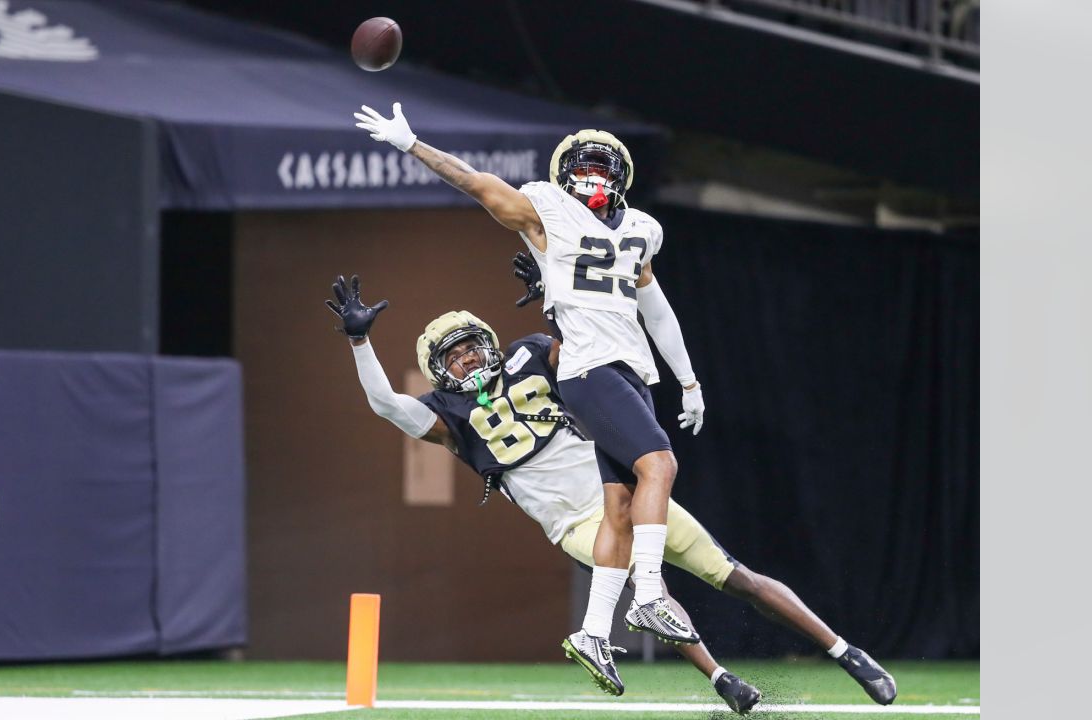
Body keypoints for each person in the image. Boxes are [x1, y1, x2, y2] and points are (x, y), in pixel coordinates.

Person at [324, 275, 897, 711]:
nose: (469, 358)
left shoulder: (530, 352)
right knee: (654, 589)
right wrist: (360, 342)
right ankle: (720, 677)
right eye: (454, 355)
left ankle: (845, 650)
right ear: (439, 370)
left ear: (490, 341)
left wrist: (556, 291)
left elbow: (587, 344)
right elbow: (383, 404)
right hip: (573, 522)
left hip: (618, 489)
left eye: (472, 345)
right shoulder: (446, 414)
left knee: (736, 577)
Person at [355, 106, 702, 666]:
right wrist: (412, 143)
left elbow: (655, 312)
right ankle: (652, 595)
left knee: (621, 506)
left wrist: (687, 380)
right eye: (584, 164)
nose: (594, 175)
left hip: (629, 370)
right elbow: (477, 183)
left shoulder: (641, 230)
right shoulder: (547, 208)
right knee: (659, 465)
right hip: (588, 387)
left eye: (604, 166)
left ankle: (595, 632)